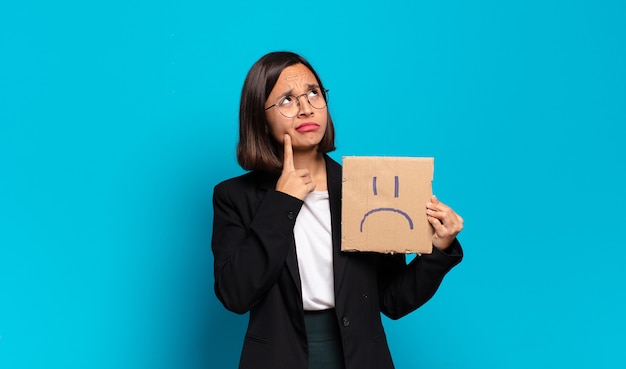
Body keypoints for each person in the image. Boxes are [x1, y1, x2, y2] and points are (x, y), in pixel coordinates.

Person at [211, 51, 464, 369]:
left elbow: (393, 300)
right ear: (260, 121)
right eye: (287, 100)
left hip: (357, 355)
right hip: (279, 356)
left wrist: (437, 251)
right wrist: (283, 202)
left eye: (313, 93)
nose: (305, 109)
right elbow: (235, 295)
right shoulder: (234, 196)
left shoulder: (367, 187)